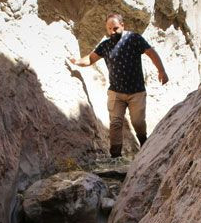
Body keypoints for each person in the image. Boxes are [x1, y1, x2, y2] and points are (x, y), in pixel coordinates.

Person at [69, 13, 169, 158]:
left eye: (115, 28)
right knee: (115, 123)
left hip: (136, 92)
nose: (112, 32)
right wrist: (77, 62)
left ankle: (144, 147)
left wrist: (161, 70)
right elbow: (90, 59)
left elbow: (151, 53)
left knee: (138, 122)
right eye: (109, 29)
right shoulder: (106, 45)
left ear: (123, 25)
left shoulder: (134, 39)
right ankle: (115, 157)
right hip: (116, 92)